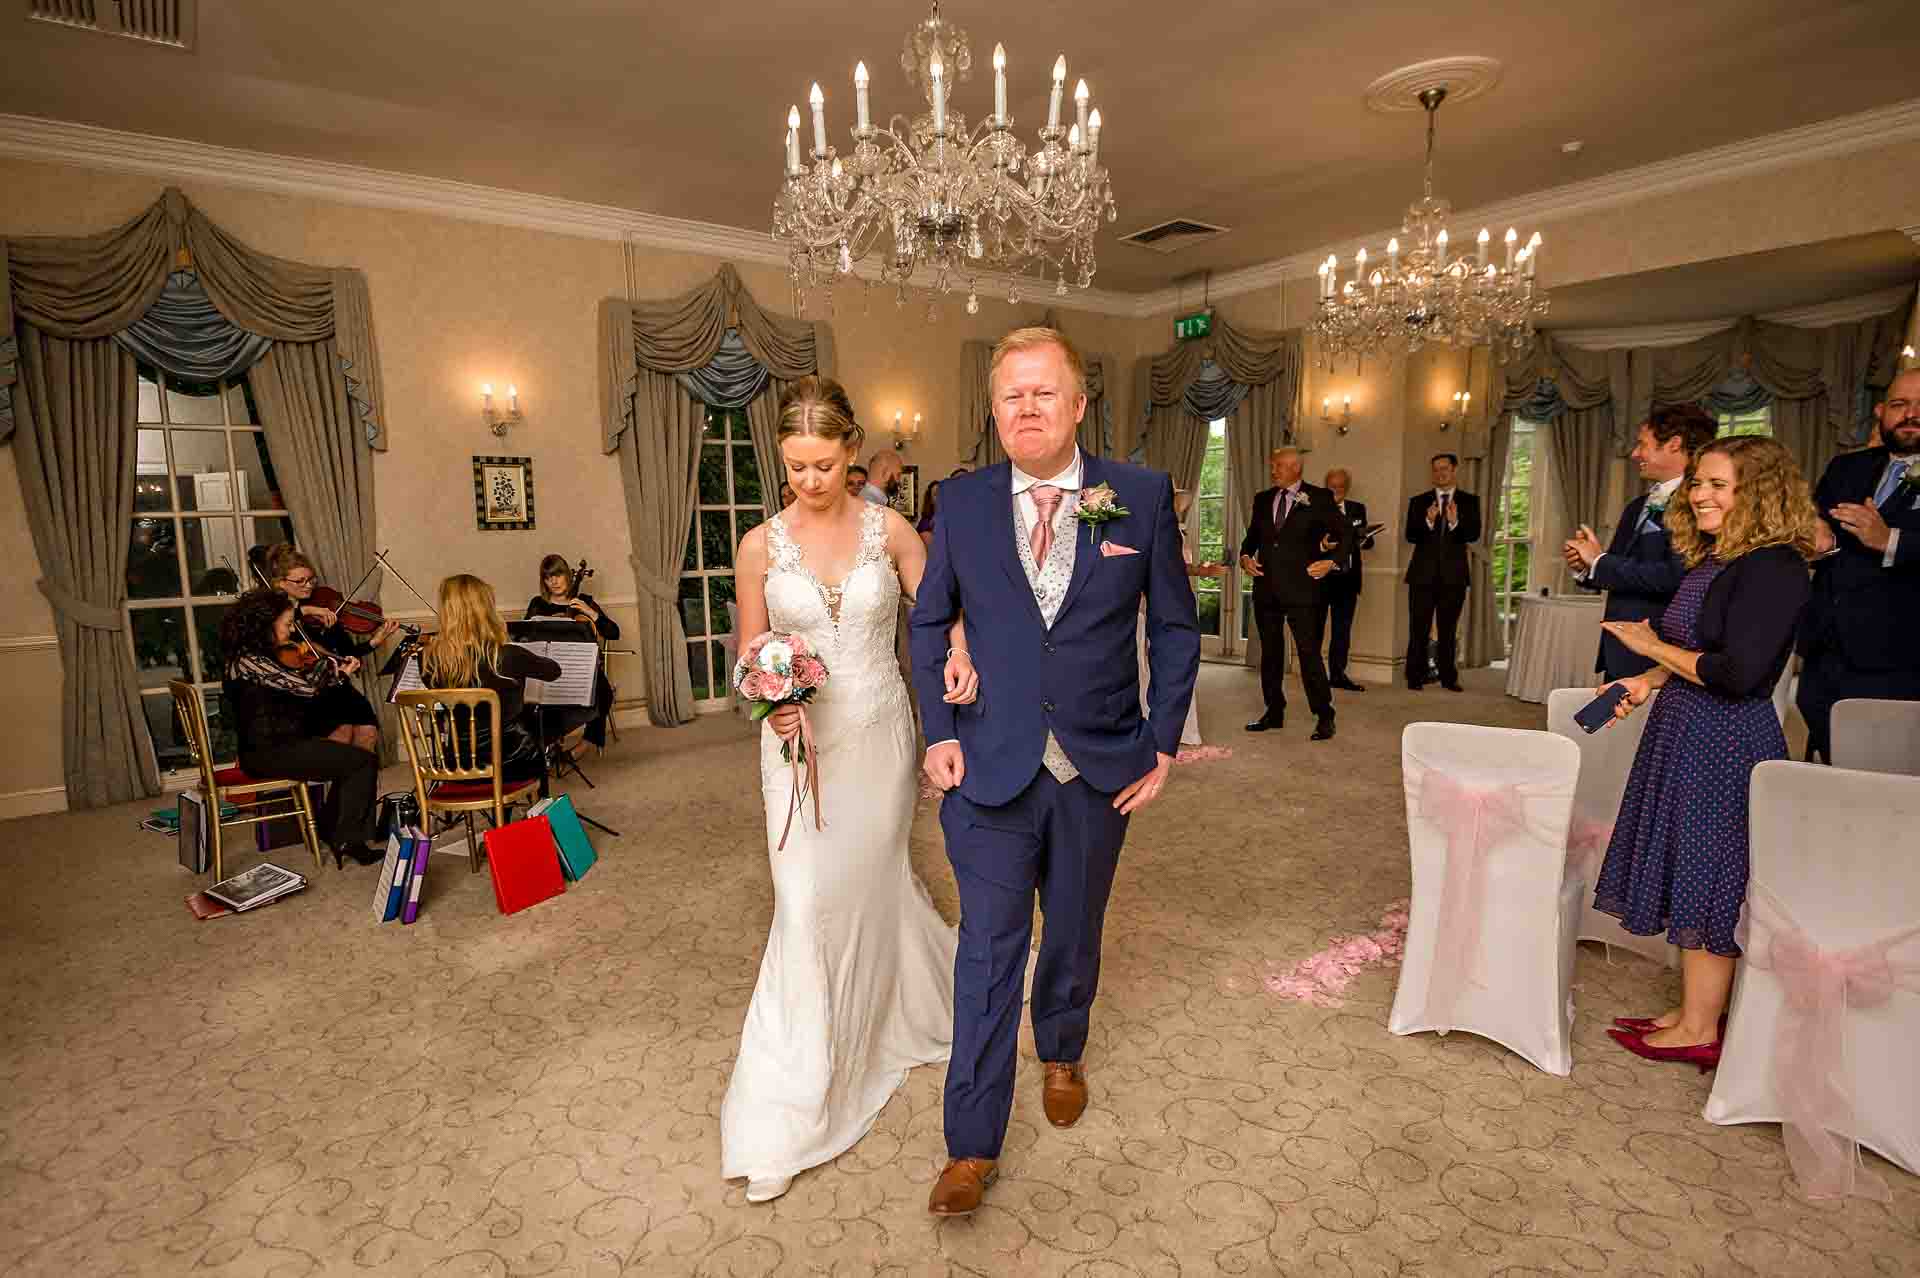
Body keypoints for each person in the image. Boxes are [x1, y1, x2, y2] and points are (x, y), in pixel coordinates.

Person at [911, 326, 1199, 1217]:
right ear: (992, 411)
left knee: (1073, 929)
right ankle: (970, 1145)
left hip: (1098, 764)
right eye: (1009, 396)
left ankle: (1064, 1047)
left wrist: (1161, 740)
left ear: (1079, 404)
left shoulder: (1141, 497)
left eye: (1044, 393)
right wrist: (936, 729)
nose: (1025, 408)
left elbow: (1176, 628)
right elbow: (931, 622)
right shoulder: (959, 504)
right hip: (988, 765)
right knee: (987, 954)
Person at [720, 376, 979, 1206]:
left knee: (872, 883)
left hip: (875, 735)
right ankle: (794, 1102)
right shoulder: (761, 544)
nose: (808, 481)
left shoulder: (891, 530)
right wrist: (767, 698)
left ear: (851, 449)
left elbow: (941, 611)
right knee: (803, 903)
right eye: (794, 466)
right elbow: (750, 645)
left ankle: (892, 1018)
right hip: (796, 748)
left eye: (823, 464)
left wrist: (963, 654)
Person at [1590, 436, 1817, 1070]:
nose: (1700, 494)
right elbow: (1694, 651)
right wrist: (1643, 679)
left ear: (1758, 493)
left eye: (1719, 484)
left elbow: (1737, 673)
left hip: (1725, 739)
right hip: (1686, 725)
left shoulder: (1775, 567)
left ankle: (1698, 1028)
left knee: (1712, 878)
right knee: (1692, 868)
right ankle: (1695, 1011)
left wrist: (1650, 648)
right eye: (1698, 483)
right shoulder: (1718, 559)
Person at [1796, 369, 1920, 762]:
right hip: (1826, 654)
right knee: (1834, 766)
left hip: (1901, 660)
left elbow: (1887, 542)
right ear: (1882, 412)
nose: (1910, 414)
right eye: (1900, 405)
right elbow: (1818, 530)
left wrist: (1890, 540)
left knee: (1885, 777)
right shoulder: (1846, 467)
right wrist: (1819, 543)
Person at [219, 587, 382, 866]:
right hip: (268, 752)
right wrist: (336, 671)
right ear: (265, 626)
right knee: (362, 762)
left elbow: (296, 686)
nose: (290, 629)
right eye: (286, 624)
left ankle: (335, 829)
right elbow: (305, 688)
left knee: (355, 759)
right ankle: (346, 837)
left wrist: (333, 670)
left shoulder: (256, 657)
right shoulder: (249, 661)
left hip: (279, 744)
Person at [1564, 406, 1716, 680]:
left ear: (1674, 444)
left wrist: (1600, 560)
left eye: (1642, 444)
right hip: (1621, 646)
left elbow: (1676, 575)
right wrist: (1587, 567)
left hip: (1661, 647)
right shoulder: (1637, 505)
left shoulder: (1700, 505)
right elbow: (1619, 566)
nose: (1635, 453)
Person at [1238, 447, 1347, 740]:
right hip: (1266, 590)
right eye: (1272, 466)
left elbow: (1347, 533)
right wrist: (1245, 558)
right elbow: (1251, 540)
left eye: (1278, 466)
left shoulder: (1319, 497)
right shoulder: (1262, 499)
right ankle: (1274, 712)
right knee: (1270, 655)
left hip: (1303, 591)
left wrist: (1332, 561)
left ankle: (1325, 715)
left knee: (1309, 654)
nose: (1273, 471)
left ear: (1296, 468)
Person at [419, 574, 561, 780]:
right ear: (485, 611)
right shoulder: (508, 655)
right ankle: (512, 809)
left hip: (459, 764)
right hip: (512, 762)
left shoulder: (427, 659)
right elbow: (554, 671)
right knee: (537, 717)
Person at [264, 544, 400, 753]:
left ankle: (355, 783)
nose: (308, 585)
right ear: (280, 583)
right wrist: (306, 610)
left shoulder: (324, 608)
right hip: (312, 690)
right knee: (341, 734)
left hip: (338, 683)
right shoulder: (272, 615)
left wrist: (375, 641)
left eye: (311, 579)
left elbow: (345, 653)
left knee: (368, 732)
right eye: (300, 581)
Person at [1138, 488, 1217, 746]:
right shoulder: (1154, 528)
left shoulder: (1176, 530)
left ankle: (1175, 725)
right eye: (1176, 502)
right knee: (1146, 663)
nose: (1180, 506)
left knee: (1174, 662)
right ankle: (1147, 720)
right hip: (1149, 604)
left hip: (1172, 603)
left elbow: (1177, 570)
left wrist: (1203, 570)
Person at [1403, 453, 1481, 691]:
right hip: (1422, 576)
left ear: (1454, 470)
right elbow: (1410, 535)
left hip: (1454, 577)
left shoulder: (1469, 501)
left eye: (1444, 469)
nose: (1440, 473)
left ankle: (1449, 677)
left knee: (1448, 629)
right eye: (1435, 470)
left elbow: (1473, 535)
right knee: (1418, 628)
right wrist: (1427, 521)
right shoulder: (1419, 501)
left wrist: (1456, 522)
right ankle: (1415, 677)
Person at [524, 554, 620, 749]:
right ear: (544, 581)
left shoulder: (583, 602)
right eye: (548, 577)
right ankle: (546, 745)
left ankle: (586, 743)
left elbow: (613, 632)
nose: (554, 581)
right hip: (548, 669)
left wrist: (591, 613)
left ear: (568, 575)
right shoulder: (538, 605)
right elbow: (524, 638)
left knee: (603, 691)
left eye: (558, 574)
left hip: (579, 669)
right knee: (536, 695)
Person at [1322, 467, 1373, 692]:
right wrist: (1323, 545)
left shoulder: (1357, 508)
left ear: (1347, 487)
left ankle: (1338, 674)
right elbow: (1305, 543)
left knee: (1342, 631)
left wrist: (1363, 540)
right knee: (1313, 630)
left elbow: (1368, 541)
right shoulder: (1315, 510)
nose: (1337, 490)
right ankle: (1314, 675)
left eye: (1341, 486)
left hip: (1348, 580)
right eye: (1332, 486)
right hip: (1321, 580)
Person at [916, 480, 942, 545]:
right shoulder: (925, 523)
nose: (940, 497)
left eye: (942, 493)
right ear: (930, 500)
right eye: (936, 494)